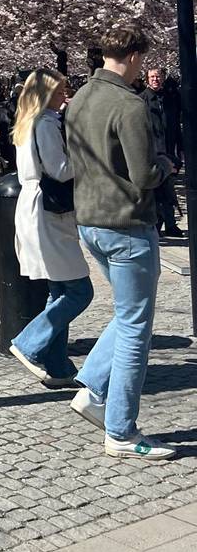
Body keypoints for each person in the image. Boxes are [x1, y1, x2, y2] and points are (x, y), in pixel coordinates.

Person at [65, 25, 177, 461]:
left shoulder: (80, 98)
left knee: (129, 315)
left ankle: (93, 390)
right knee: (135, 327)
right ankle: (121, 431)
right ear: (133, 56)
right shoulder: (128, 105)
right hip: (127, 224)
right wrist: (165, 164)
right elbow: (143, 174)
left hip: (90, 220)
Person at [7, 69, 93, 388]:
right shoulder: (44, 123)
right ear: (44, 95)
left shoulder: (28, 122)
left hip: (36, 206)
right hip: (49, 210)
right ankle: (29, 342)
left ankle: (58, 367)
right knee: (80, 290)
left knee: (59, 291)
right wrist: (87, 161)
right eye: (59, 92)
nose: (64, 96)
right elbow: (59, 169)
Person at [142, 68, 182, 238]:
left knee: (169, 189)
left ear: (163, 78)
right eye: (152, 77)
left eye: (158, 76)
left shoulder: (170, 98)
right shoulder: (142, 99)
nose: (155, 79)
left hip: (169, 149)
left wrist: (180, 149)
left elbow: (176, 124)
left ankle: (171, 224)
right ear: (147, 79)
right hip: (154, 152)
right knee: (157, 190)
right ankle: (158, 224)